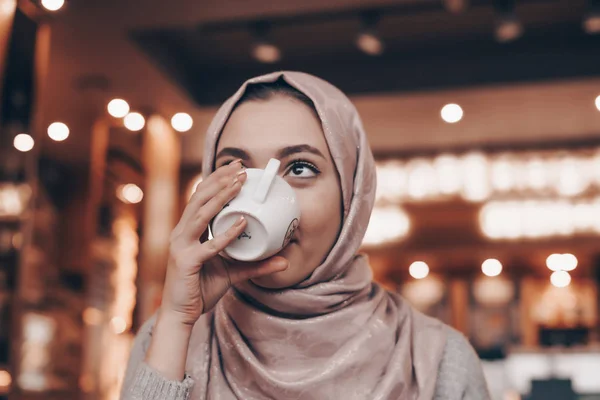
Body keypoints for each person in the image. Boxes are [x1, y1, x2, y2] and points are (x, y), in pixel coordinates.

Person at [120, 71, 490, 400]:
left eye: (300, 167)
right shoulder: (169, 338)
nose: (257, 199)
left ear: (351, 194)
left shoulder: (434, 358)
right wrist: (176, 320)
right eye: (236, 169)